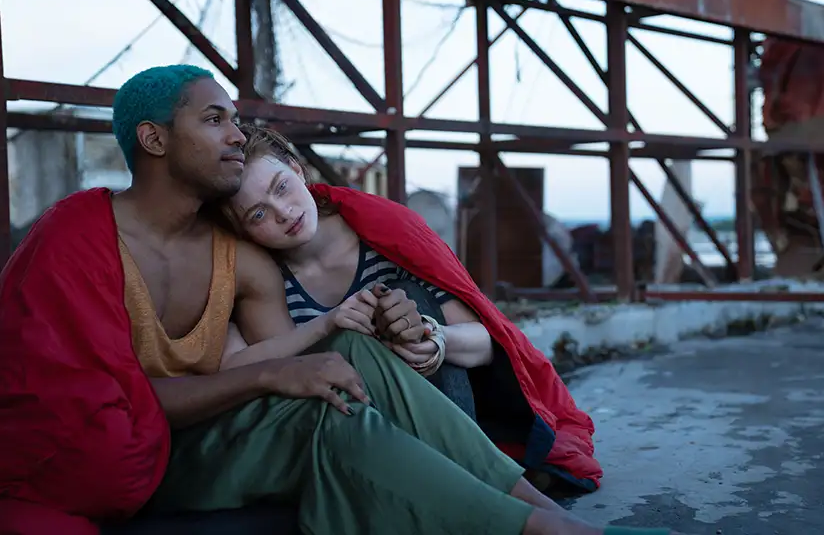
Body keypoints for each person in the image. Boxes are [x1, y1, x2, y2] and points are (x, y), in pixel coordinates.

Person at [0, 64, 679, 535]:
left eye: (237, 125)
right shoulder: (78, 237)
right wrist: (278, 370)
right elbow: (89, 410)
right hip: (140, 459)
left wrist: (336, 341)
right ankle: (536, 530)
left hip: (212, 432)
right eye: (216, 120)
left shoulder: (234, 254)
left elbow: (291, 359)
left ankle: (532, 506)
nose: (235, 134)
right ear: (154, 138)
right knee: (332, 421)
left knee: (348, 359)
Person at [217, 125, 598, 495]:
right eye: (258, 214)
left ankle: (464, 479)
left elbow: (486, 342)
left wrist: (436, 341)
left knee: (405, 297)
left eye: (281, 187)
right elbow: (257, 370)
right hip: (349, 423)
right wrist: (330, 325)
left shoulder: (381, 233)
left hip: (439, 407)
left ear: (297, 170)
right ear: (241, 229)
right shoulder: (261, 278)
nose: (283, 212)